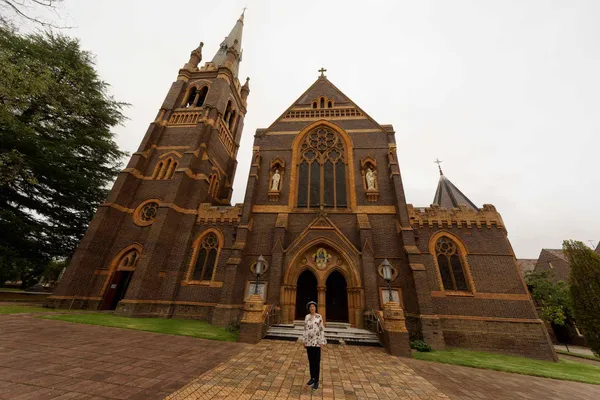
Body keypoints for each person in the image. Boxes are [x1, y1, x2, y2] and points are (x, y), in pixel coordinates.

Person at [302, 301, 326, 391]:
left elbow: (321, 329)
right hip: (309, 342)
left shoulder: (319, 316)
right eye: (311, 306)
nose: (312, 308)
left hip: (316, 342)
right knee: (311, 361)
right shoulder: (307, 317)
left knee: (316, 362)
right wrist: (304, 341)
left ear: (315, 308)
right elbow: (305, 329)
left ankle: (316, 381)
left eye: (313, 306)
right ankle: (312, 378)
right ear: (309, 308)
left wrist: (322, 342)